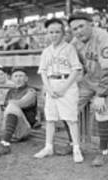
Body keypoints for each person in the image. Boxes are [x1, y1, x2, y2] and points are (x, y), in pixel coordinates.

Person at [58, 12, 108, 167]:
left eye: (81, 26)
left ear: (92, 24)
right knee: (68, 106)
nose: (78, 31)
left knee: (101, 109)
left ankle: (102, 152)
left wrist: (101, 95)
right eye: (74, 29)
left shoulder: (103, 38)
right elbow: (74, 67)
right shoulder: (76, 42)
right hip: (91, 78)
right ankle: (73, 144)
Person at [33, 18, 84, 163]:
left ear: (62, 33)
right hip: (51, 84)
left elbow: (75, 70)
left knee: (71, 119)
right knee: (50, 119)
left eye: (57, 32)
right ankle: (48, 147)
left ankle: (76, 148)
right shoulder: (46, 51)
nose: (54, 35)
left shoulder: (69, 48)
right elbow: (43, 71)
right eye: (51, 32)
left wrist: (63, 87)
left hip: (66, 84)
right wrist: (48, 88)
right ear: (47, 34)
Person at [0, 67, 37, 158]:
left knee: (12, 106)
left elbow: (22, 103)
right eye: (16, 76)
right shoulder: (11, 91)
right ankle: (5, 136)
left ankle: (5, 144)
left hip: (23, 129)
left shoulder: (31, 91)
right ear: (12, 79)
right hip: (9, 129)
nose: (18, 78)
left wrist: (9, 104)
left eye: (21, 76)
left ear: (26, 78)